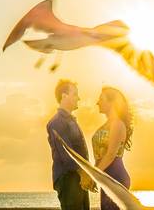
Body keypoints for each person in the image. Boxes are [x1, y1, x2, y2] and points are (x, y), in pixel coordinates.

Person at [47, 79, 94, 210]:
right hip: (69, 178)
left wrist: (87, 174)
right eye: (75, 94)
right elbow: (66, 153)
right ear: (64, 96)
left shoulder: (70, 120)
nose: (78, 98)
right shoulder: (56, 122)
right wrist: (84, 174)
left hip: (78, 177)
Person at [93, 87, 134, 210]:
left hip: (115, 177)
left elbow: (111, 155)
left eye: (101, 99)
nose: (97, 102)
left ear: (111, 102)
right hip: (106, 177)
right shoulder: (108, 124)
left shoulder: (117, 124)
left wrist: (91, 176)